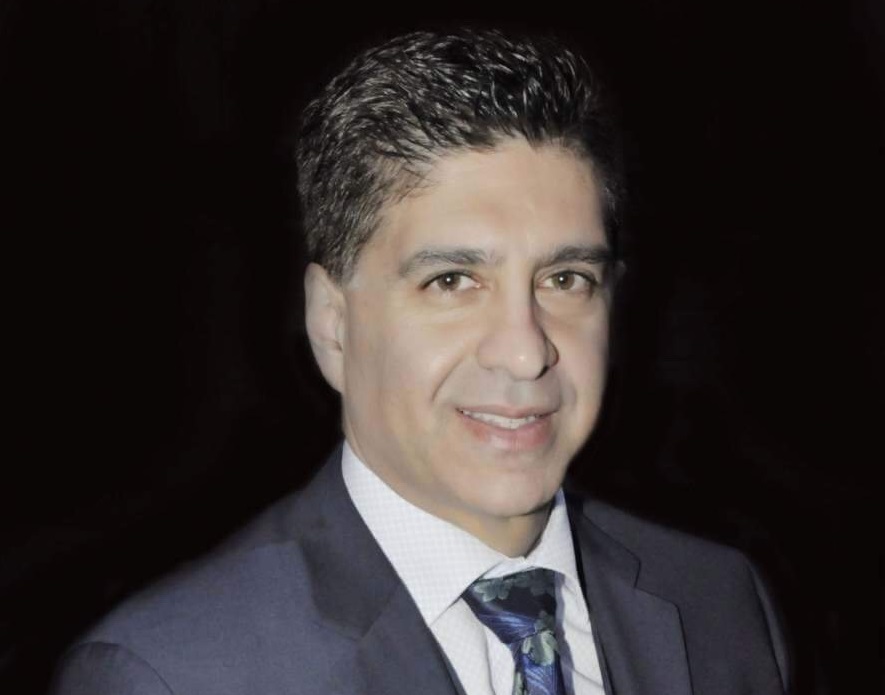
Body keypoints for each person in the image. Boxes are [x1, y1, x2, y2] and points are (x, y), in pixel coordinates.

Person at [49, 29, 791, 695]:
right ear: (333, 323)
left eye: (565, 279)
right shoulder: (168, 675)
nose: (525, 351)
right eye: (452, 281)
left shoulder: (723, 605)